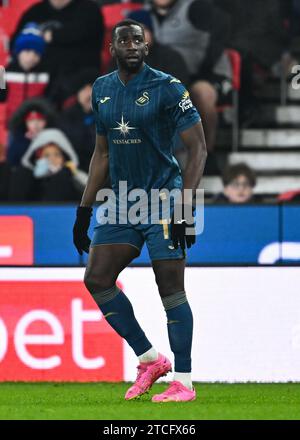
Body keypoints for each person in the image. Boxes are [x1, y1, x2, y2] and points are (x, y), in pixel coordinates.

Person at [73, 19, 207, 403]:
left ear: (146, 48)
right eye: (123, 40)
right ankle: (150, 359)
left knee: (171, 291)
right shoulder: (102, 89)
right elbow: (102, 153)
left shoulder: (167, 87)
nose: (131, 45)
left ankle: (184, 380)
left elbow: (198, 149)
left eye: (137, 39)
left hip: (164, 199)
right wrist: (84, 210)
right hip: (120, 202)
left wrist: (186, 206)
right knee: (97, 279)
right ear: (113, 49)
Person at [149, 0, 232, 162]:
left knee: (201, 93)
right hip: (172, 74)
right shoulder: (145, 13)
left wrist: (205, 63)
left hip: (205, 72)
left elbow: (223, 24)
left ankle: (206, 153)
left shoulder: (195, 7)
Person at [10, 0, 104, 77]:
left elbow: (79, 32)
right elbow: (15, 43)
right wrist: (23, 56)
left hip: (76, 83)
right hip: (37, 80)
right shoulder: (34, 12)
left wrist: (52, 35)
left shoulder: (89, 9)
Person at [9, 128, 88, 201]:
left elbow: (87, 190)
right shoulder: (28, 178)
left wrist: (70, 173)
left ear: (64, 158)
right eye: (46, 155)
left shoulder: (73, 175)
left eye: (57, 154)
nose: (52, 159)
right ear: (38, 159)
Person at [0, 22, 49, 124]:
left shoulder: (45, 74)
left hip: (35, 124)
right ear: (18, 52)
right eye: (27, 51)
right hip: (11, 123)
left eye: (36, 53)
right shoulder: (5, 72)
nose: (32, 57)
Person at [60, 69, 99, 172]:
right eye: (84, 90)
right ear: (77, 94)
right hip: (75, 166)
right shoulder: (67, 117)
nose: (88, 94)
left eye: (92, 89)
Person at [7, 97, 57, 167]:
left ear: (47, 121)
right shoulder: (18, 142)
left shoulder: (55, 140)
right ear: (24, 122)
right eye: (31, 120)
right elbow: (12, 164)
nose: (35, 124)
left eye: (40, 120)